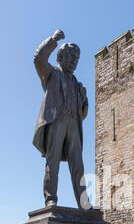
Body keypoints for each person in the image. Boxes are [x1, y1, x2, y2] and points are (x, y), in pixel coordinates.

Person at [33, 29, 91, 210]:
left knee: (78, 165)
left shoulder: (76, 83)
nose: (74, 61)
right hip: (56, 121)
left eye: (77, 58)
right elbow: (38, 59)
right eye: (71, 56)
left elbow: (82, 115)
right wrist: (53, 40)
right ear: (60, 57)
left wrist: (84, 101)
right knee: (53, 162)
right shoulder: (51, 74)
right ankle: (51, 198)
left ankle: (84, 203)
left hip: (73, 123)